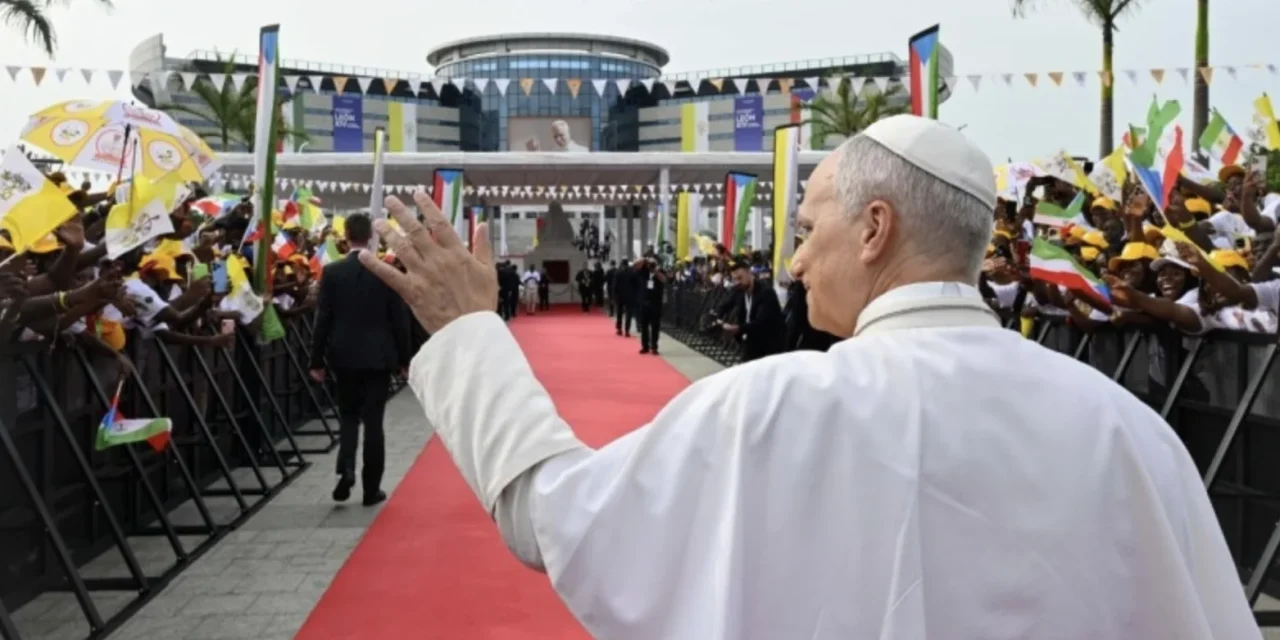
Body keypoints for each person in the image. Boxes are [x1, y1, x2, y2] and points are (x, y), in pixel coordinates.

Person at [357, 116, 1258, 640]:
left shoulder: (773, 404)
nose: (792, 259)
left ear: (874, 229)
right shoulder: (1131, 430)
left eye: (806, 226)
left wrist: (468, 329)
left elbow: (553, 515)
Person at [308, 213, 410, 507]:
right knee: (374, 422)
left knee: (349, 416)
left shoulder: (333, 272)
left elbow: (322, 320)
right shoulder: (386, 272)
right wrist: (405, 359)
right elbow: (399, 320)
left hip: (343, 355)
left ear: (346, 236)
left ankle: (346, 468)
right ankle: (371, 488)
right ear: (372, 237)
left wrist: (316, 360)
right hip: (379, 357)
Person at [718, 259, 784, 362]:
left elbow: (762, 322)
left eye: (740, 278)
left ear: (749, 273)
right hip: (749, 341)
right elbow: (724, 306)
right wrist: (714, 315)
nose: (738, 282)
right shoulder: (738, 291)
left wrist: (738, 329)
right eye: (734, 279)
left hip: (768, 344)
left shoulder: (766, 292)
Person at [633, 255, 665, 355]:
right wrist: (644, 260)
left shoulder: (660, 271)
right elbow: (635, 266)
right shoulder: (643, 271)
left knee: (655, 325)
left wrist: (655, 271)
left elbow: (664, 280)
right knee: (644, 326)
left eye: (653, 263)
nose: (651, 265)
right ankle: (645, 346)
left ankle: (654, 346)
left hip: (656, 303)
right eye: (650, 263)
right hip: (644, 302)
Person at [613, 259, 634, 337]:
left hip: (619, 296)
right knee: (629, 314)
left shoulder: (618, 272)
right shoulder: (632, 273)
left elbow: (615, 285)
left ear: (622, 264)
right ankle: (627, 330)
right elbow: (635, 285)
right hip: (630, 296)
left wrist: (614, 296)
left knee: (619, 313)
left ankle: (619, 329)